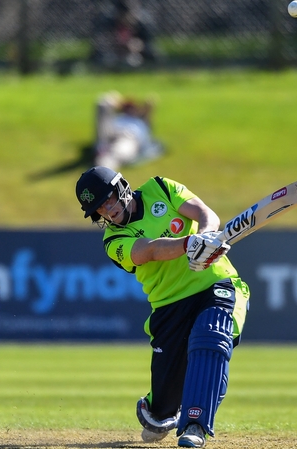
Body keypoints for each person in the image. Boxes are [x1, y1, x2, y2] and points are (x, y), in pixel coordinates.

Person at [74, 166, 249, 448]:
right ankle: (157, 410)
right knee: (163, 408)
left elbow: (206, 213)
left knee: (211, 338)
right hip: (169, 306)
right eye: (99, 208)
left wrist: (205, 236)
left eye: (108, 199)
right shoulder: (113, 241)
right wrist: (189, 243)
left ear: (121, 188)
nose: (107, 210)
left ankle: (195, 425)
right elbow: (150, 250)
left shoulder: (161, 188)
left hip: (215, 284)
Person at [94, 91, 164, 171]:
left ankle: (103, 168)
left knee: (115, 153)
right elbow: (105, 101)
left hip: (129, 140)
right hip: (110, 136)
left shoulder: (141, 122)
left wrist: (145, 108)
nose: (131, 110)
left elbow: (150, 103)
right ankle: (102, 155)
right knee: (103, 104)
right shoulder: (120, 117)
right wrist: (121, 104)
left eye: (133, 108)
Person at [90, 0, 158, 69]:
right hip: (113, 54)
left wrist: (138, 45)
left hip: (132, 55)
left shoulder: (142, 24)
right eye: (122, 14)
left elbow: (149, 46)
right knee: (108, 60)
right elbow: (99, 44)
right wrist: (114, 44)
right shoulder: (108, 22)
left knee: (133, 61)